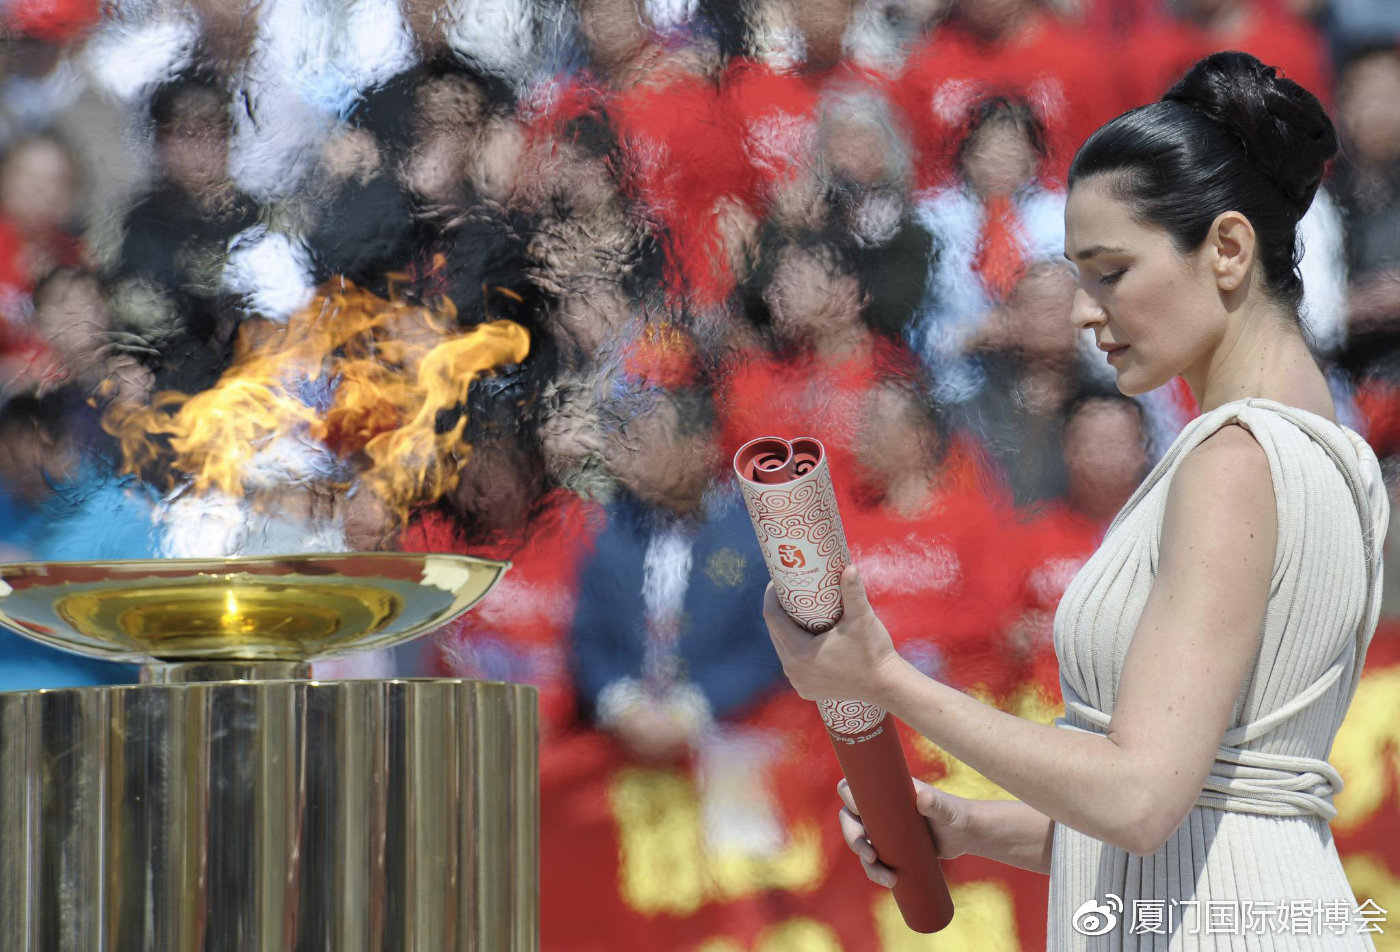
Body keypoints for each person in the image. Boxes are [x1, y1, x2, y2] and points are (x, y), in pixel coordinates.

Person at [760, 51, 1389, 949]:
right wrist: (974, 827)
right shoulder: (1332, 452)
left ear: (1228, 248)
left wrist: (884, 679)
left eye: (1111, 271)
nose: (1086, 312)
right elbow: (1199, 814)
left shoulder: (1233, 459)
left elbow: (1138, 800)